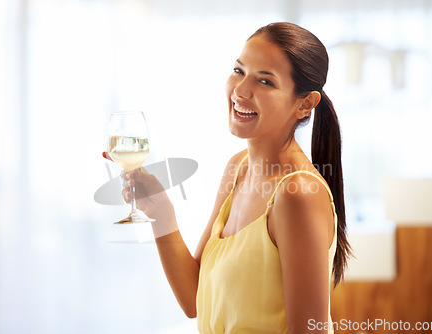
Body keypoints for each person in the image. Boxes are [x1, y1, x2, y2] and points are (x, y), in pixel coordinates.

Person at [103, 22, 351, 334]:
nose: (241, 90)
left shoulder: (297, 192)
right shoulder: (239, 167)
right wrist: (160, 211)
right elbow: (194, 299)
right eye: (239, 70)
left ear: (305, 104)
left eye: (265, 81)